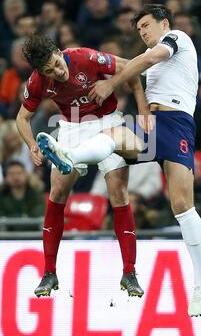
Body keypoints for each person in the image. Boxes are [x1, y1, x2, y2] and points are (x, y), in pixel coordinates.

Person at [38, 4, 201, 317]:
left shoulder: (178, 39)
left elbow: (145, 60)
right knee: (117, 138)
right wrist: (142, 107)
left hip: (178, 125)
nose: (143, 32)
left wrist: (110, 83)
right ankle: (70, 157)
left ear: (164, 23)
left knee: (183, 207)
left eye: (146, 25)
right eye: (139, 29)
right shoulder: (154, 54)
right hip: (152, 126)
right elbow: (140, 72)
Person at [16, 34, 149, 298]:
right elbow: (22, 118)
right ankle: (49, 273)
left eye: (55, 63)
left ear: (58, 51)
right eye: (48, 70)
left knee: (119, 193)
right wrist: (31, 144)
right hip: (72, 126)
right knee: (56, 193)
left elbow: (132, 70)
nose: (57, 71)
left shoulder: (85, 57)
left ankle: (129, 273)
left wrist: (141, 107)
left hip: (108, 122)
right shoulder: (37, 81)